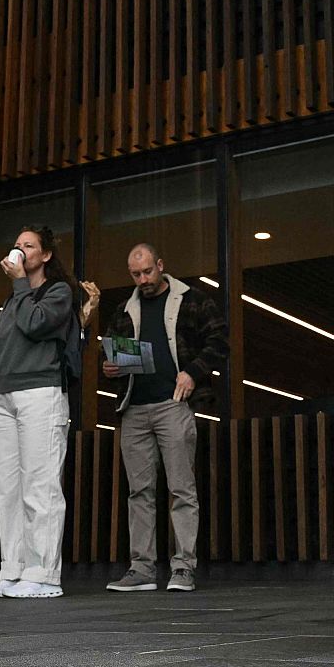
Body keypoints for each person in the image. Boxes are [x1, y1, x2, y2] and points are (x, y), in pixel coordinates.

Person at [101, 244, 227, 594]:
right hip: (134, 407)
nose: (142, 280)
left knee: (181, 489)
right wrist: (109, 368)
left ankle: (183, 567)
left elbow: (220, 341)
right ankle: (141, 568)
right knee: (138, 491)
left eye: (147, 272)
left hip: (173, 404)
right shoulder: (125, 309)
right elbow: (111, 354)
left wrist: (192, 372)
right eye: (135, 275)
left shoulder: (193, 299)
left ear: (160, 265)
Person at [0, 226, 81, 599]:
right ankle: (13, 568)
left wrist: (20, 284)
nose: (20, 249)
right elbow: (0, 352)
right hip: (6, 398)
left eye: (29, 245)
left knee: (40, 485)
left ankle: (44, 574)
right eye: (17, 244)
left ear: (46, 255)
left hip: (41, 392)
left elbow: (36, 324)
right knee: (8, 489)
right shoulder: (13, 299)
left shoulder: (58, 292)